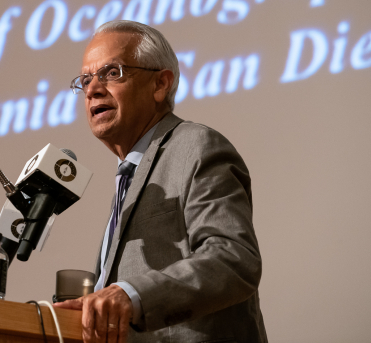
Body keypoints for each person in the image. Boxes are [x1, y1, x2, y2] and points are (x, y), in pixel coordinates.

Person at [53, 20, 267, 342]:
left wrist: (131, 295)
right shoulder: (130, 175)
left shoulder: (196, 146)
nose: (93, 89)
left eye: (112, 73)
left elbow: (233, 258)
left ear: (160, 85)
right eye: (85, 79)